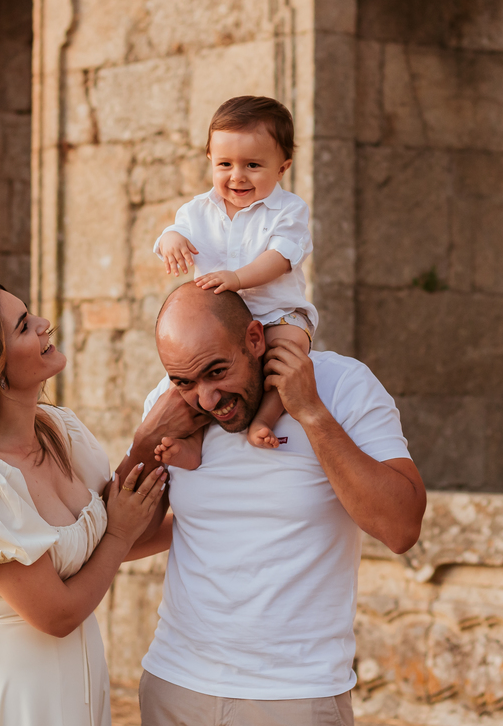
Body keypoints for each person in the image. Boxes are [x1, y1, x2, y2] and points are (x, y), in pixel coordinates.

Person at [130, 283, 429, 726]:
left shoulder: (343, 385)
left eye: (217, 372)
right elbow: (124, 539)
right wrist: (145, 439)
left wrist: (311, 412)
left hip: (295, 697)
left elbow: (401, 528)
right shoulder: (170, 406)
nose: (207, 400)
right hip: (175, 686)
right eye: (184, 381)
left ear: (254, 339)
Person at [0, 281, 176, 726]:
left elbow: (114, 538)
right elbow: (57, 614)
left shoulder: (61, 430)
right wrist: (121, 533)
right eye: (25, 326)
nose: (45, 325)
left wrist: (214, 513)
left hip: (79, 697)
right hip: (11, 704)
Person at [155, 95, 316, 456]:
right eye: (225, 163)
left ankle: (265, 419)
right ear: (210, 160)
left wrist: (238, 278)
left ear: (282, 168)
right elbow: (173, 231)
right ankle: (193, 441)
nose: (237, 176)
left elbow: (280, 257)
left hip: (277, 314)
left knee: (288, 356)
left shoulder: (288, 210)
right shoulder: (198, 210)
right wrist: (171, 240)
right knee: (198, 379)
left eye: (253, 165)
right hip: (218, 325)